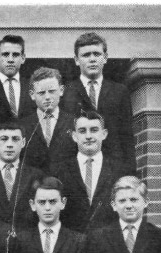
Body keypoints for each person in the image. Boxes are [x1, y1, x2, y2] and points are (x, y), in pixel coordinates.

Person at [60, 32, 136, 174]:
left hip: (113, 169)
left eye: (96, 54)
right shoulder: (66, 92)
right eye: (86, 55)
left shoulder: (119, 92)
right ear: (76, 60)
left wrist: (129, 174)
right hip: (76, 169)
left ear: (105, 57)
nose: (92, 59)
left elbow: (127, 137)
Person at [51, 110, 123, 232]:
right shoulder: (59, 171)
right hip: (71, 240)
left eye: (94, 130)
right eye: (82, 131)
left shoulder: (119, 170)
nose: (88, 136)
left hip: (108, 239)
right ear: (74, 136)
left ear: (104, 134)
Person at [0, 121, 42, 230]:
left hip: (25, 235)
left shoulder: (36, 175)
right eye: (4, 139)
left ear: (23, 142)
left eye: (15, 139)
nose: (9, 144)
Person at [19, 67, 77, 173]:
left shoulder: (74, 123)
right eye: (41, 93)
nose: (47, 97)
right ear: (32, 95)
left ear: (61, 90)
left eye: (52, 91)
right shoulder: (22, 125)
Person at [0, 34, 34, 122]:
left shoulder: (31, 86)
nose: (10, 60)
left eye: (15, 55)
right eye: (5, 54)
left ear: (23, 58)